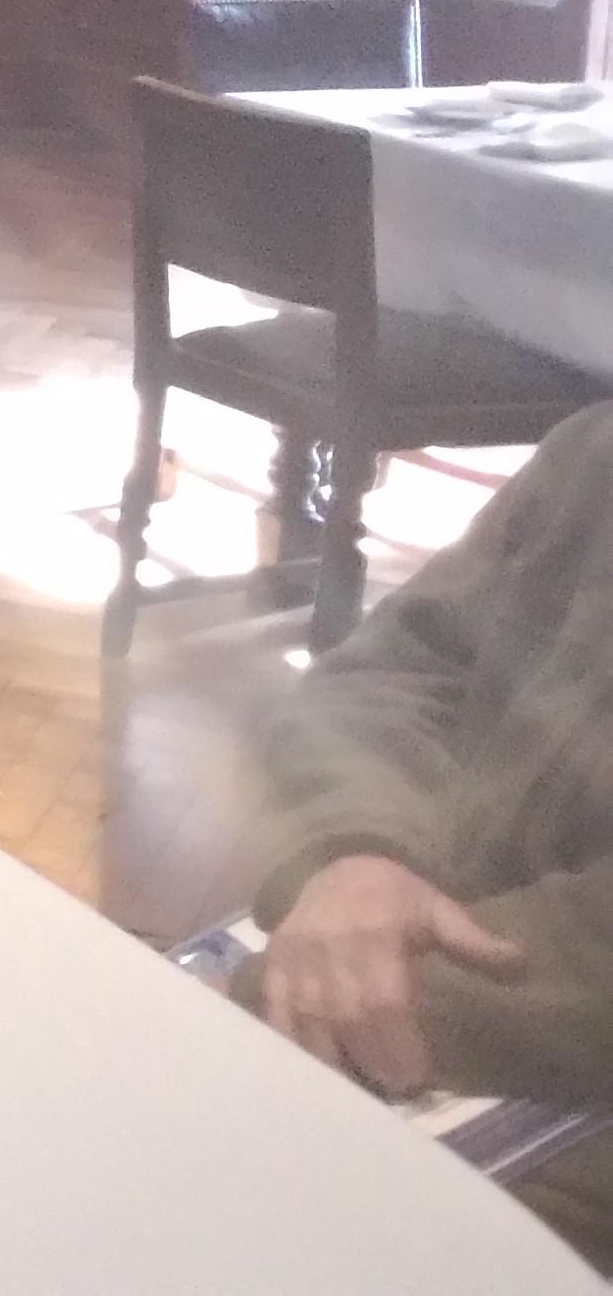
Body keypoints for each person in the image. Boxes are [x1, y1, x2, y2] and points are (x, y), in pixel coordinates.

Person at [247, 403, 613, 1268]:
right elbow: (395, 666)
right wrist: (364, 852)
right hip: (443, 967)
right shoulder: (596, 450)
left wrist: (331, 987)